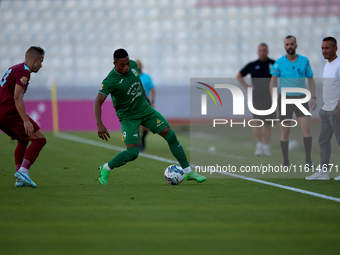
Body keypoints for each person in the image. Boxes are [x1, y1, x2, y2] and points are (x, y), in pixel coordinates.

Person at [94, 49, 206, 185]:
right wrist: (99, 124)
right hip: (128, 117)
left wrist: (145, 96)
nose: (126, 67)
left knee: (170, 135)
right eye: (122, 65)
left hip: (145, 109)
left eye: (128, 63)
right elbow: (98, 101)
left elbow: (137, 80)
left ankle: (188, 172)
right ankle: (106, 168)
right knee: (133, 153)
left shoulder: (133, 66)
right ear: (115, 63)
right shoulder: (110, 81)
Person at [0, 46, 46, 188]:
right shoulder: (24, 71)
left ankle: (20, 177)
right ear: (35, 59)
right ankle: (23, 171)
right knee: (40, 139)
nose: (41, 65)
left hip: (2, 110)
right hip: (8, 110)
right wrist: (25, 120)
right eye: (41, 61)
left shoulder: (15, 68)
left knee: (23, 138)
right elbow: (17, 95)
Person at [269, 35, 317, 168]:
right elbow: (272, 81)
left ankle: (308, 160)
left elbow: (311, 79)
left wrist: (313, 97)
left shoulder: (304, 61)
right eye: (287, 44)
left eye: (292, 44)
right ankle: (285, 161)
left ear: (296, 45)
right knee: (285, 131)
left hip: (301, 98)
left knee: (306, 128)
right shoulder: (279, 62)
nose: (290, 46)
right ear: (284, 46)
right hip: (285, 99)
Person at [306, 37, 340, 180]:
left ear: (335, 48)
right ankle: (323, 171)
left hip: (336, 110)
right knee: (323, 141)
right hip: (326, 109)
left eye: (327, 48)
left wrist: (338, 106)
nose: (324, 51)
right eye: (322, 48)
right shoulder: (327, 65)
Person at [237, 43, 276, 156]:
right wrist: (248, 87)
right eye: (260, 50)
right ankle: (258, 146)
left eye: (264, 50)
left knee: (267, 123)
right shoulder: (252, 65)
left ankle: (266, 147)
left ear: (267, 51)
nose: (262, 52)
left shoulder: (273, 64)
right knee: (257, 121)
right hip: (256, 97)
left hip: (270, 98)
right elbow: (239, 75)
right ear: (257, 52)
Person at [135, 59, 155, 151]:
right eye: (136, 64)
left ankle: (143, 138)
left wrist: (153, 101)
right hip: (134, 104)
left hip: (145, 104)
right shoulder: (131, 77)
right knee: (136, 124)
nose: (138, 66)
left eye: (139, 64)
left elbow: (153, 89)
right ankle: (139, 142)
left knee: (146, 126)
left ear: (141, 66)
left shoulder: (147, 77)